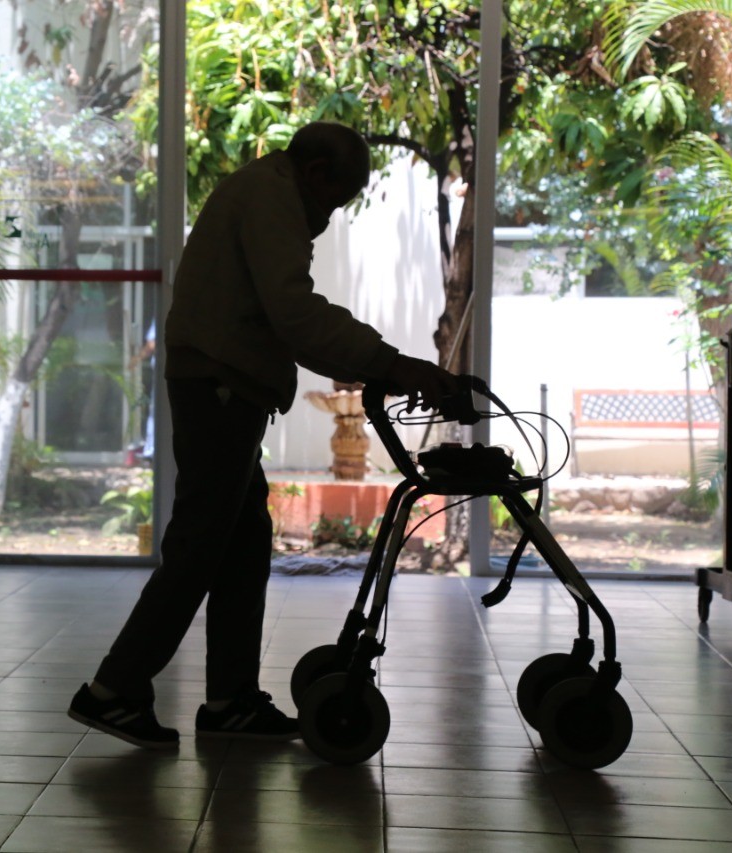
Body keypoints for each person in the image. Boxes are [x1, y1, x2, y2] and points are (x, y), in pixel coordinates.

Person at [67, 122, 456, 749]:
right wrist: (390, 363)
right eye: (339, 194)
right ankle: (114, 690)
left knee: (244, 545)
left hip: (228, 386)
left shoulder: (266, 191)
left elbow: (278, 312)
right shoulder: (271, 199)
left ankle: (230, 700)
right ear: (315, 173)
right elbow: (294, 311)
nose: (332, 212)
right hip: (220, 389)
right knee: (200, 545)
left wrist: (373, 361)